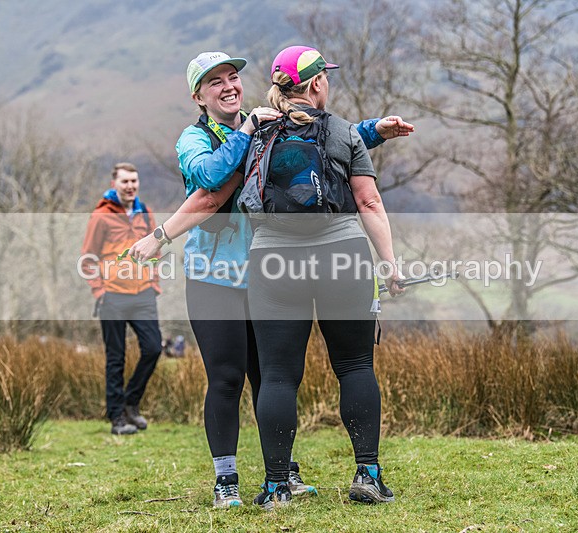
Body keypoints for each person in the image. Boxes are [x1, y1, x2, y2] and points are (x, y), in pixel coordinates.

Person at [128, 51, 413, 508]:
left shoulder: (266, 127)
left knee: (272, 378)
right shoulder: (204, 137)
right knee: (232, 377)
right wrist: (162, 234)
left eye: (233, 77)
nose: (228, 85)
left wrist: (374, 130)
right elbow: (210, 181)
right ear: (197, 96)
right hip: (221, 275)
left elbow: (322, 136)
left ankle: (281, 479)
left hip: (268, 269)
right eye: (214, 81)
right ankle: (235, 481)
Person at [244, 45, 404, 509]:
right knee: (354, 365)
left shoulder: (254, 133)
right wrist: (390, 263)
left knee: (276, 376)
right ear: (316, 83)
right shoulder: (340, 132)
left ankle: (276, 486)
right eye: (325, 77)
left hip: (273, 260)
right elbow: (369, 203)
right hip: (342, 256)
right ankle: (368, 475)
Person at [80, 162, 162, 435]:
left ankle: (131, 403)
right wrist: (99, 290)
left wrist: (154, 282)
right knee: (115, 358)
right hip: (112, 296)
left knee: (153, 348)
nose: (130, 186)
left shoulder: (145, 213)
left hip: (143, 295)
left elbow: (156, 249)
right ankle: (117, 418)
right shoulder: (102, 215)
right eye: (125, 181)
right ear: (114, 183)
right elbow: (88, 256)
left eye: (134, 181)